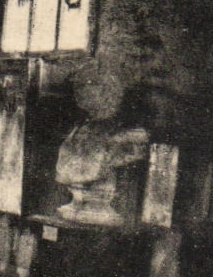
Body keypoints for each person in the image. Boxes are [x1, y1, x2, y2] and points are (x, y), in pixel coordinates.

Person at [54, 68, 150, 226]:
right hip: (78, 202)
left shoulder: (122, 131)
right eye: (79, 87)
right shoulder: (82, 127)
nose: (80, 92)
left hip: (99, 203)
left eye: (87, 86)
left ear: (107, 91)